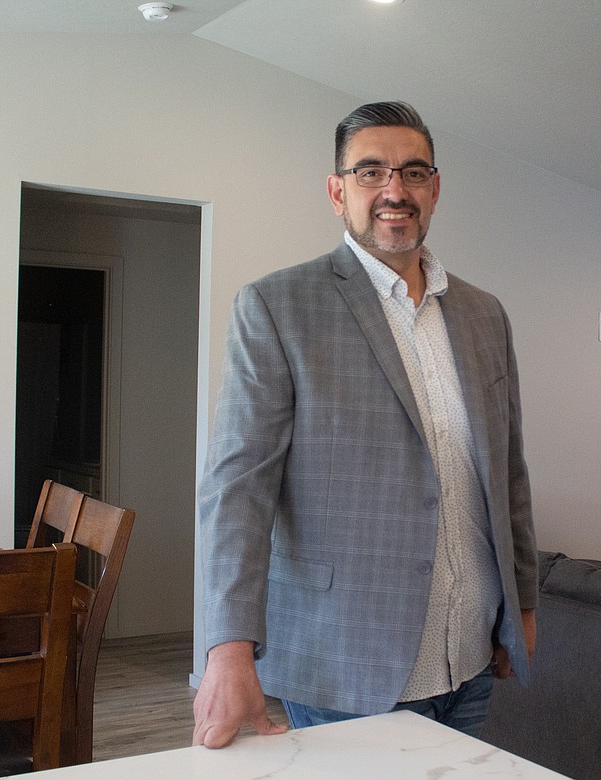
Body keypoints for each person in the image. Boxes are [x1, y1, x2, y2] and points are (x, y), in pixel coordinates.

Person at [192, 101, 537, 749]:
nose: (394, 190)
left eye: (412, 172)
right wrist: (227, 648)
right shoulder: (277, 304)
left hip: (469, 654)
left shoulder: (484, 314)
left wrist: (521, 605)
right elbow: (237, 488)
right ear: (337, 191)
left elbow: (506, 471)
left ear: (434, 187)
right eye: (371, 172)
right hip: (345, 658)